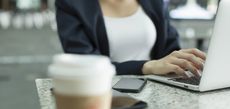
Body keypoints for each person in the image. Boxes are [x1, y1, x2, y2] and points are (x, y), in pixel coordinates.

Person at [55, 0, 206, 76]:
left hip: (156, 88)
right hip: (104, 94)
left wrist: (186, 62)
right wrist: (146, 66)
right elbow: (85, 64)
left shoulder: (154, 2)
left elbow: (170, 49)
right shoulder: (71, 3)